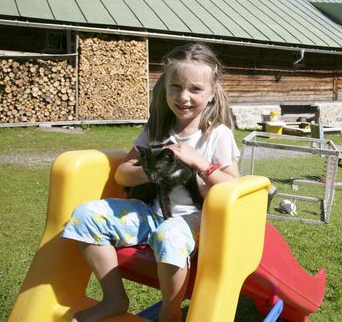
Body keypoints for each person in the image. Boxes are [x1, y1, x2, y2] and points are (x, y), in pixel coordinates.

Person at [61, 43, 240, 322]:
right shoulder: (156, 129)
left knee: (169, 234)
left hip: (194, 222)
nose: (184, 97)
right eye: (175, 87)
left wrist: (201, 163)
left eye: (195, 89)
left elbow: (233, 187)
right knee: (86, 215)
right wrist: (153, 169)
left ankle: (170, 313)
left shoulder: (218, 135)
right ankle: (114, 299)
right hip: (150, 213)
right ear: (164, 87)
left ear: (212, 92)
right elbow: (122, 174)